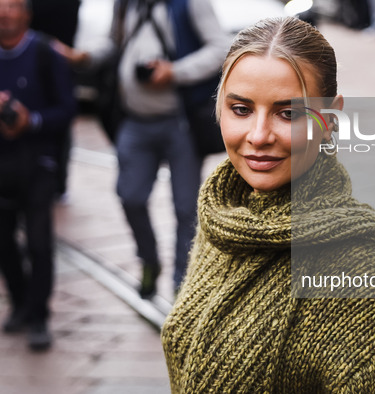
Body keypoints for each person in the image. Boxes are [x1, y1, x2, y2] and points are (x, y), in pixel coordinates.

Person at [161, 17, 375, 392]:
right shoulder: (225, 218)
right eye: (241, 109)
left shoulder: (365, 286)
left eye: (288, 113)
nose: (258, 136)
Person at [60, 0, 229, 298]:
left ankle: (182, 284)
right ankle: (149, 260)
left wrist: (174, 71)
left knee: (185, 207)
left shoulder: (190, 4)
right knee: (131, 196)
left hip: (181, 121)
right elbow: (114, 43)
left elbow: (219, 48)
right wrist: (86, 56)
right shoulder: (126, 4)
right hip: (134, 120)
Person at [0, 0, 77, 350]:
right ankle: (20, 303)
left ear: (26, 14)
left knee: (39, 240)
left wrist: (30, 120)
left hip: (38, 160)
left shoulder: (45, 53)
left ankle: (39, 315)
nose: (6, 14)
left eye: (13, 6)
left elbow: (66, 110)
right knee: (3, 242)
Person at [29, 0, 81, 201]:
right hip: (51, 62)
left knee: (58, 119)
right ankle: (57, 182)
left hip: (55, 61)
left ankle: (56, 182)